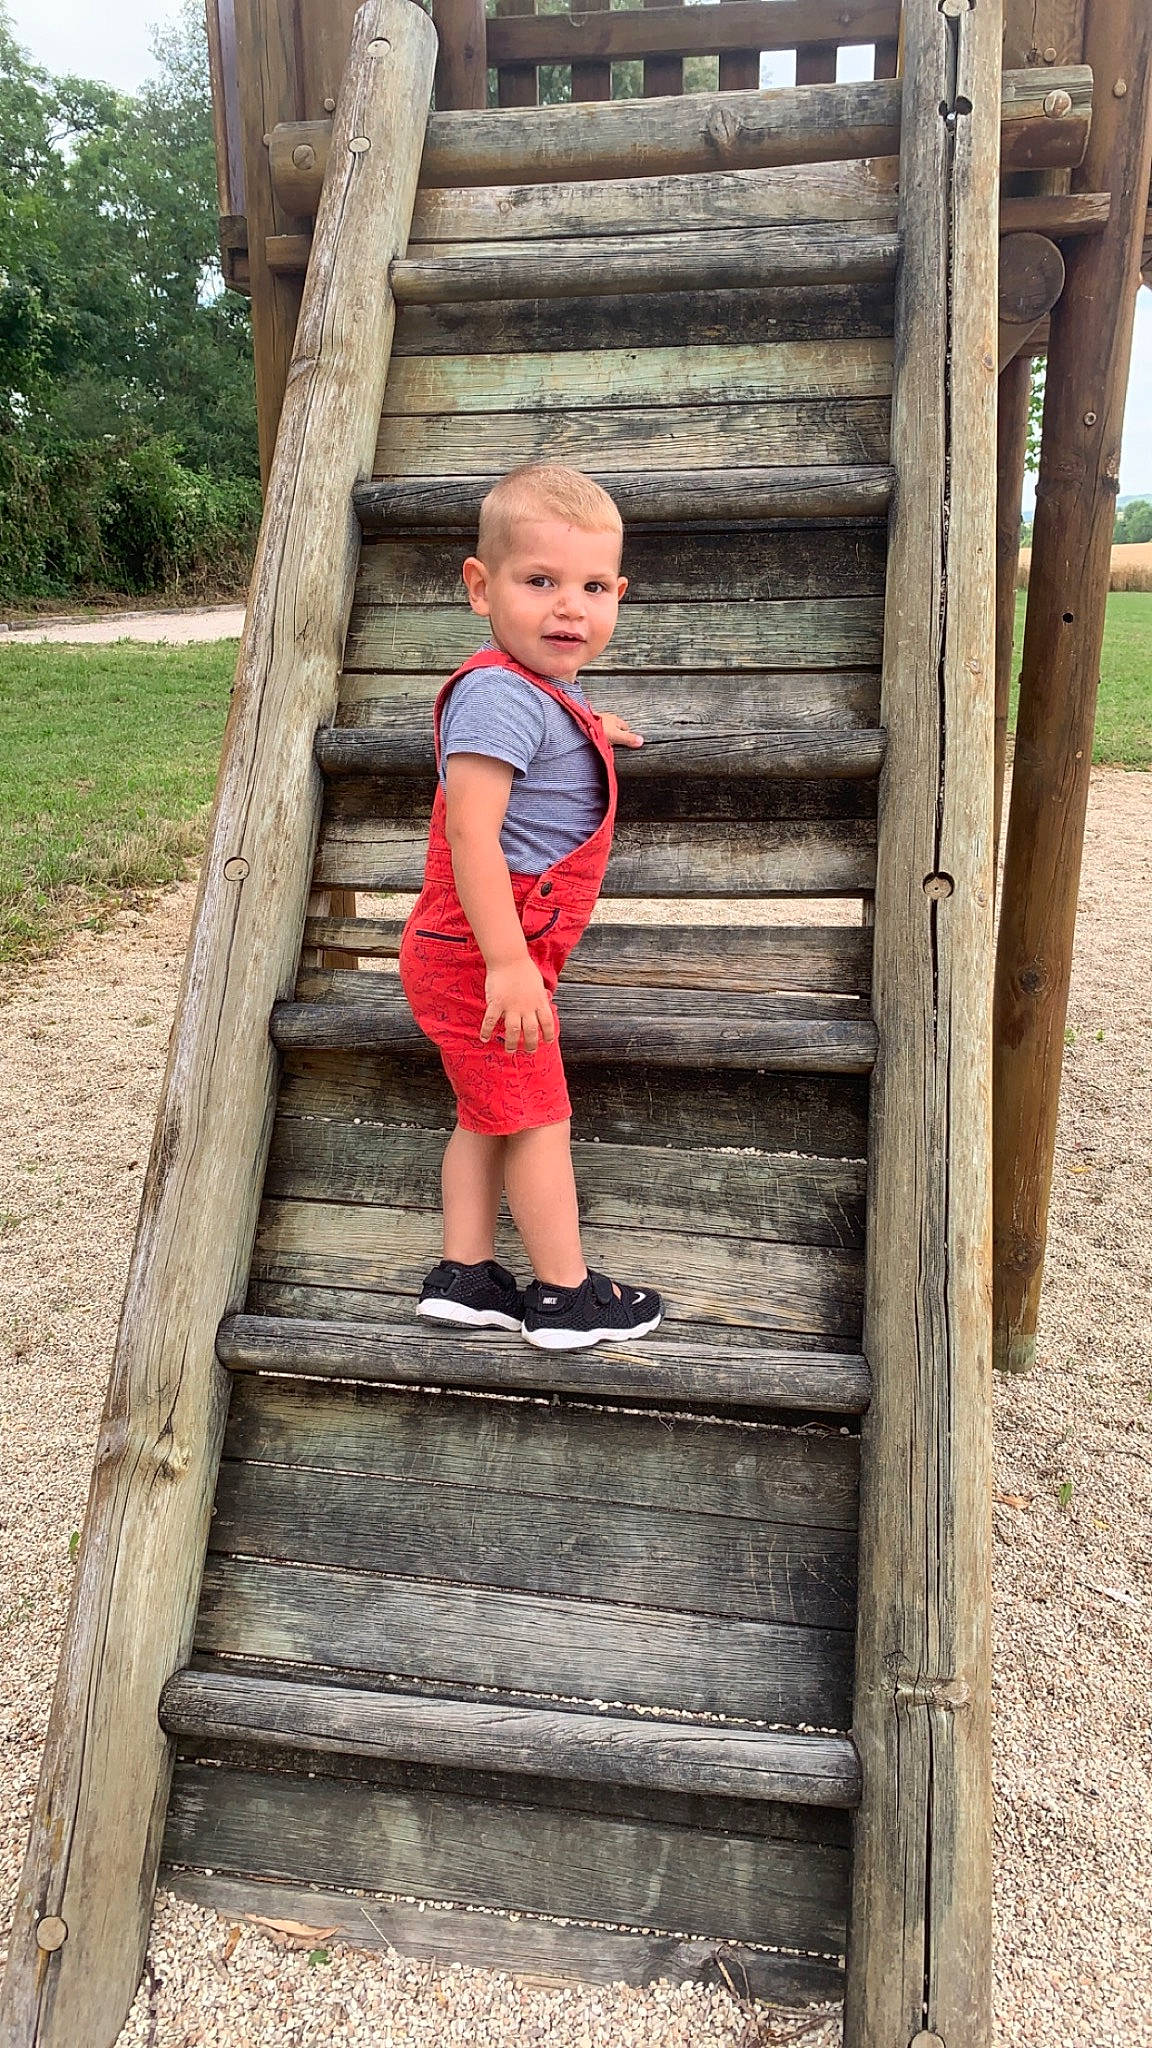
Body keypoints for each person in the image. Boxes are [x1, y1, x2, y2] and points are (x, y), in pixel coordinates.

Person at [398, 464, 663, 1352]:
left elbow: (541, 735)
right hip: (484, 953)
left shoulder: (541, 692)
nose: (569, 609)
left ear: (618, 594)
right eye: (540, 581)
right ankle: (565, 1296)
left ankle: (466, 1275)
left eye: (593, 587)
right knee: (539, 1119)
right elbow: (471, 835)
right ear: (481, 588)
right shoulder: (499, 694)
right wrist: (509, 965)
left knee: (488, 1113)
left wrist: (592, 731)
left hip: (476, 953)